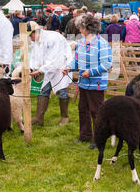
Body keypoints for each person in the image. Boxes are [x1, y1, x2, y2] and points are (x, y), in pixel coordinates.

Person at [62, 15, 112, 149]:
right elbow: (76, 61)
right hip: (83, 83)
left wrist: (91, 72)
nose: (79, 30)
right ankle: (85, 136)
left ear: (88, 28)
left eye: (81, 27)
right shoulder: (82, 43)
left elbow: (107, 64)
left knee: (96, 111)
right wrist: (69, 67)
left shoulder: (102, 44)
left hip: (96, 83)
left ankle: (98, 139)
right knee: (82, 109)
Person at [28, 21, 73, 127]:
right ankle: (39, 118)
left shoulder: (53, 38)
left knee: (61, 91)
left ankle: (64, 117)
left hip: (60, 66)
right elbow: (35, 56)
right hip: (46, 68)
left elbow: (54, 58)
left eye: (31, 35)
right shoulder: (37, 41)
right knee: (43, 90)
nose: (30, 38)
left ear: (36, 32)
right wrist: (31, 67)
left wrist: (40, 70)